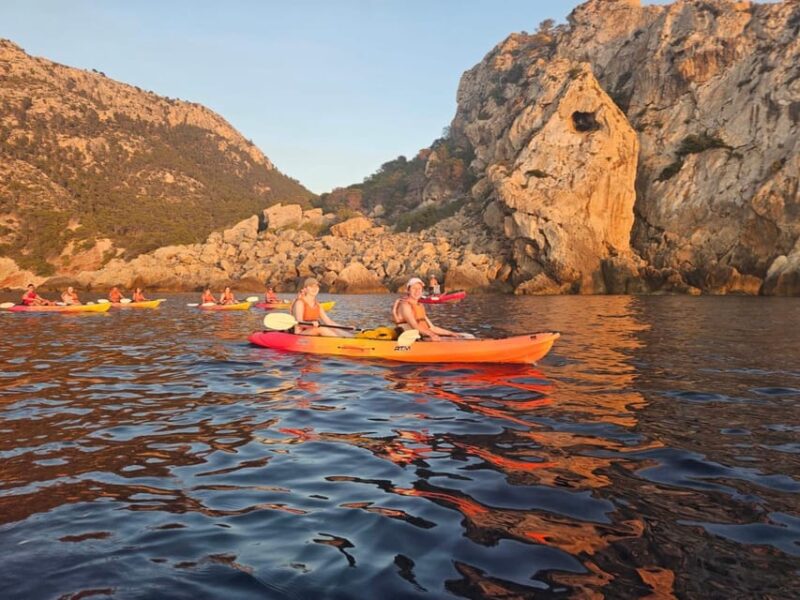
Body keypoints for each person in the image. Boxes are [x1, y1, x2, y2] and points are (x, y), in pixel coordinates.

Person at [392, 277, 467, 341]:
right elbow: (414, 325)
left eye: (419, 288)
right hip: (408, 341)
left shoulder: (419, 305)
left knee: (463, 336)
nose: (417, 291)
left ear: (422, 291)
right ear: (408, 290)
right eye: (414, 288)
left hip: (420, 338)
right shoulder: (405, 305)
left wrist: (451, 333)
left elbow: (432, 328)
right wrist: (432, 335)